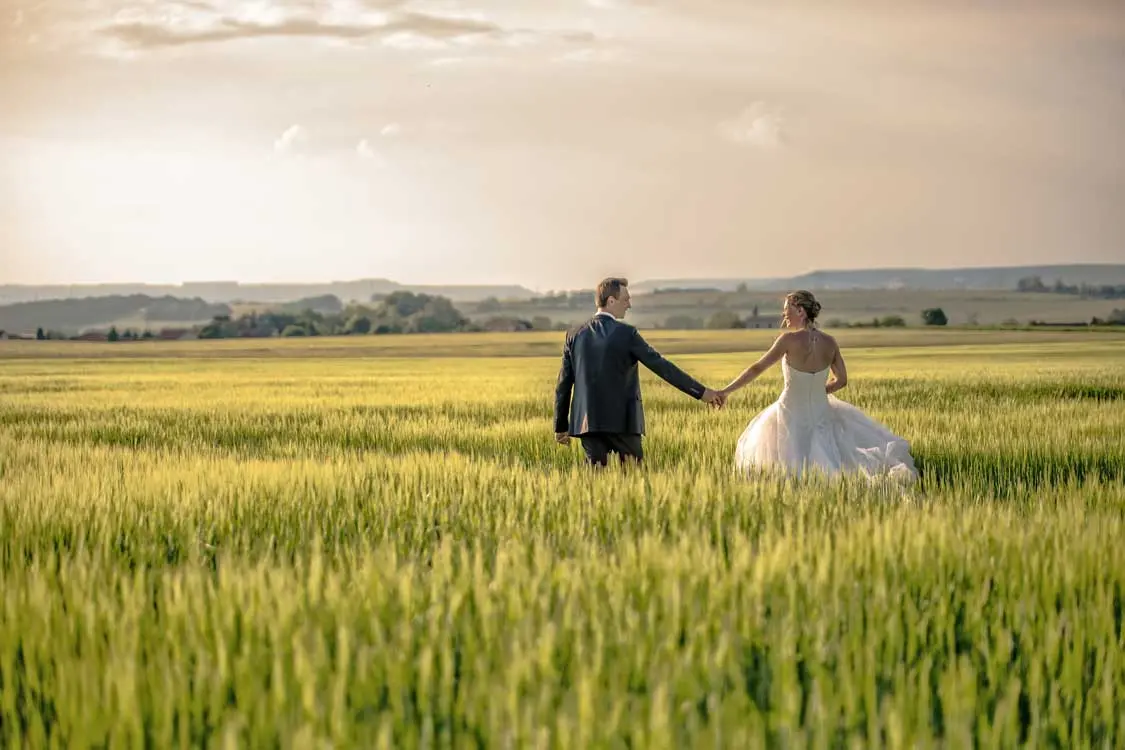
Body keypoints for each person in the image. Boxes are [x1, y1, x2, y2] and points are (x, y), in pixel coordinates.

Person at [719, 290, 919, 483]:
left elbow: (756, 368)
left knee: (788, 461)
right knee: (830, 459)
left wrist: (725, 391)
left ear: (800, 311)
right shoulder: (830, 342)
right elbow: (841, 380)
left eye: (787, 309)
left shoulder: (788, 340)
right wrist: (818, 392)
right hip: (820, 409)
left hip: (790, 410)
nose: (783, 314)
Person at [554, 277, 725, 466]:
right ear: (611, 301)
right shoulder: (627, 334)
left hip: (587, 424)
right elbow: (662, 367)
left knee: (595, 486)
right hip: (624, 423)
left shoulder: (574, 335)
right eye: (625, 299)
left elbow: (563, 384)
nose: (629, 305)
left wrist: (561, 426)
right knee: (633, 481)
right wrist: (701, 393)